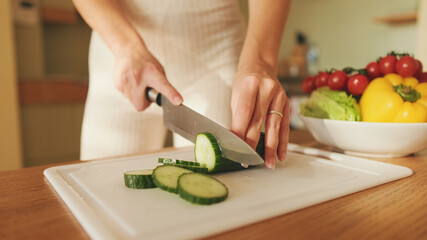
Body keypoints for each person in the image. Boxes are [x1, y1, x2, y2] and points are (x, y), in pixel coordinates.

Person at [73, 0, 291, 169]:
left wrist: (261, 60)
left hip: (219, 56)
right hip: (120, 58)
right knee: (102, 186)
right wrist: (127, 47)